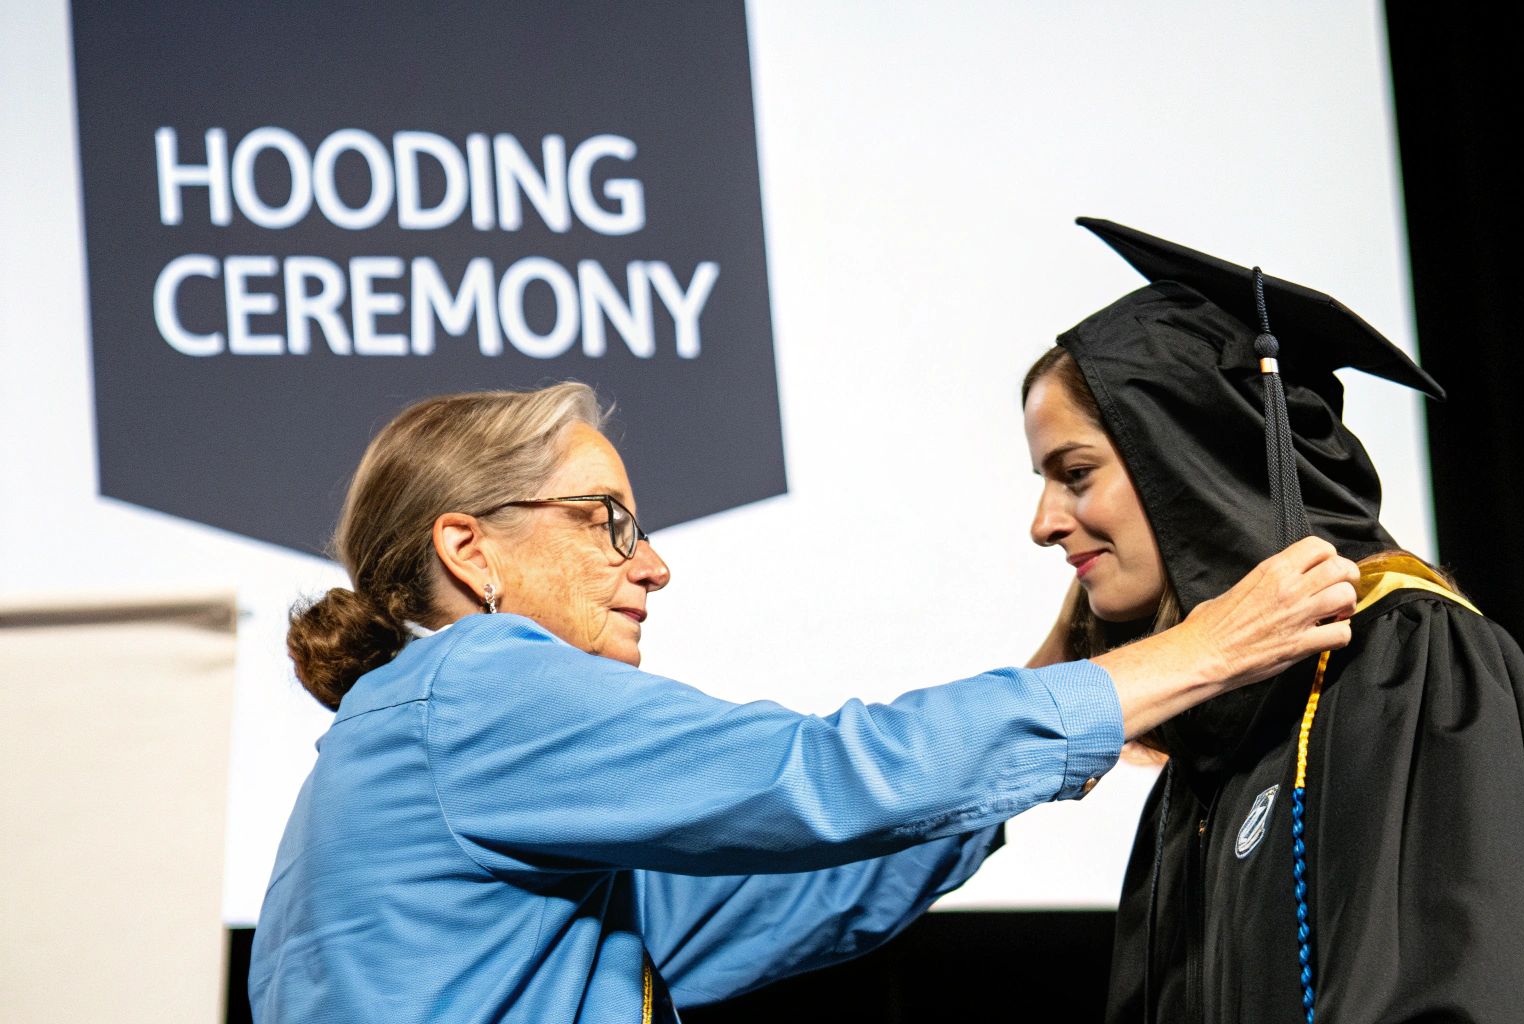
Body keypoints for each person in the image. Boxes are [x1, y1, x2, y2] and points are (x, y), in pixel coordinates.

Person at [248, 381, 1360, 1022]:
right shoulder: (475, 684)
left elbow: (796, 893)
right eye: (607, 520)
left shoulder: (415, 744)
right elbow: (821, 778)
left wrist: (1060, 689)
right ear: (468, 548)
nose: (652, 566)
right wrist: (1199, 651)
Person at [1021, 219, 1524, 1023]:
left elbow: (1457, 990)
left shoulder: (1408, 665)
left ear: (1192, 452)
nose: (1043, 522)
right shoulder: (1203, 764)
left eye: (1075, 474)